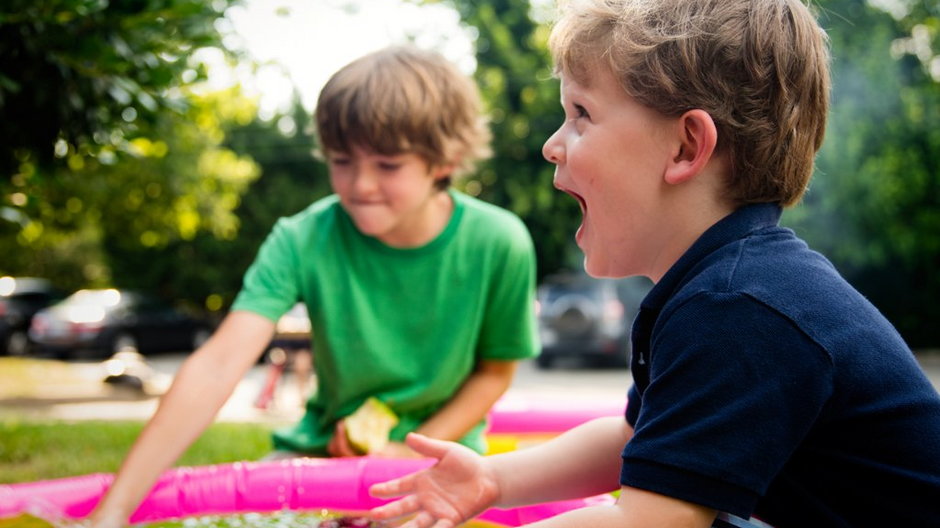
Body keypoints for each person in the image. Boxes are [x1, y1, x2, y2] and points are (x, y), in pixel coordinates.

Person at [368, 1, 940, 527]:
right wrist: (494, 479)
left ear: (687, 147)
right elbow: (633, 439)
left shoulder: (740, 308)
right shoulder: (720, 286)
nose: (551, 143)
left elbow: (645, 522)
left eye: (581, 113)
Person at [87, 45, 539, 527]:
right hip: (320, 459)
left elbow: (495, 371)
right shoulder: (302, 238)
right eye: (342, 160)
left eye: (387, 165)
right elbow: (218, 365)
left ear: (444, 161)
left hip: (443, 464)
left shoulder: (499, 242)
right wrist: (113, 511)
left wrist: (404, 451)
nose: (360, 184)